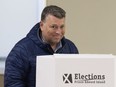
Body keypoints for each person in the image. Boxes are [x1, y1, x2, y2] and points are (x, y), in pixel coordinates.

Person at [4, 5, 79, 87]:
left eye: (62, 27)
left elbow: (77, 79)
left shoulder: (71, 48)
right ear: (42, 25)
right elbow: (12, 83)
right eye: (53, 27)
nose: (58, 31)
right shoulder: (21, 50)